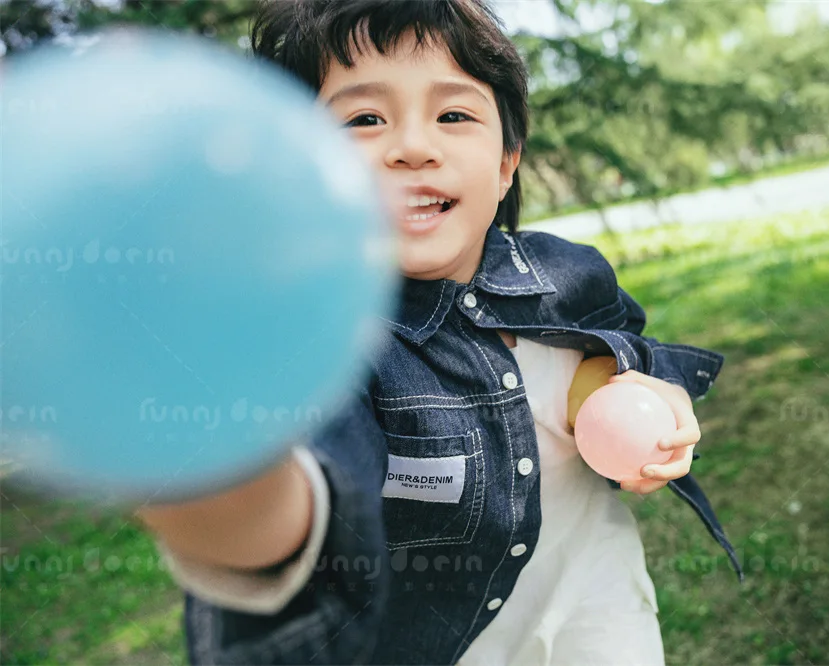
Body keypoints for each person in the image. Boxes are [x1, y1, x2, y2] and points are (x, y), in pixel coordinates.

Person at [136, 1, 742, 663]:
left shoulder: (566, 272)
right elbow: (304, 496)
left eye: (453, 115)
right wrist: (217, 478)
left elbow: (625, 344)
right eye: (364, 119)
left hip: (602, 621)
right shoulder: (324, 344)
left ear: (506, 162)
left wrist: (633, 386)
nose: (414, 147)